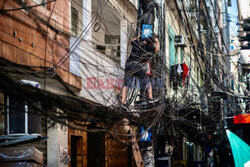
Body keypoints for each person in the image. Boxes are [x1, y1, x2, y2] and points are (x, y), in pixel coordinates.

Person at [120, 34, 159, 109]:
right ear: (150, 43)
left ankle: (123, 102)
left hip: (128, 65)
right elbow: (156, 49)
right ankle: (150, 98)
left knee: (126, 84)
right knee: (147, 81)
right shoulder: (147, 47)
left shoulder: (136, 43)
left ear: (144, 41)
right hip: (137, 66)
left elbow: (131, 41)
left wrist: (138, 36)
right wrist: (157, 41)